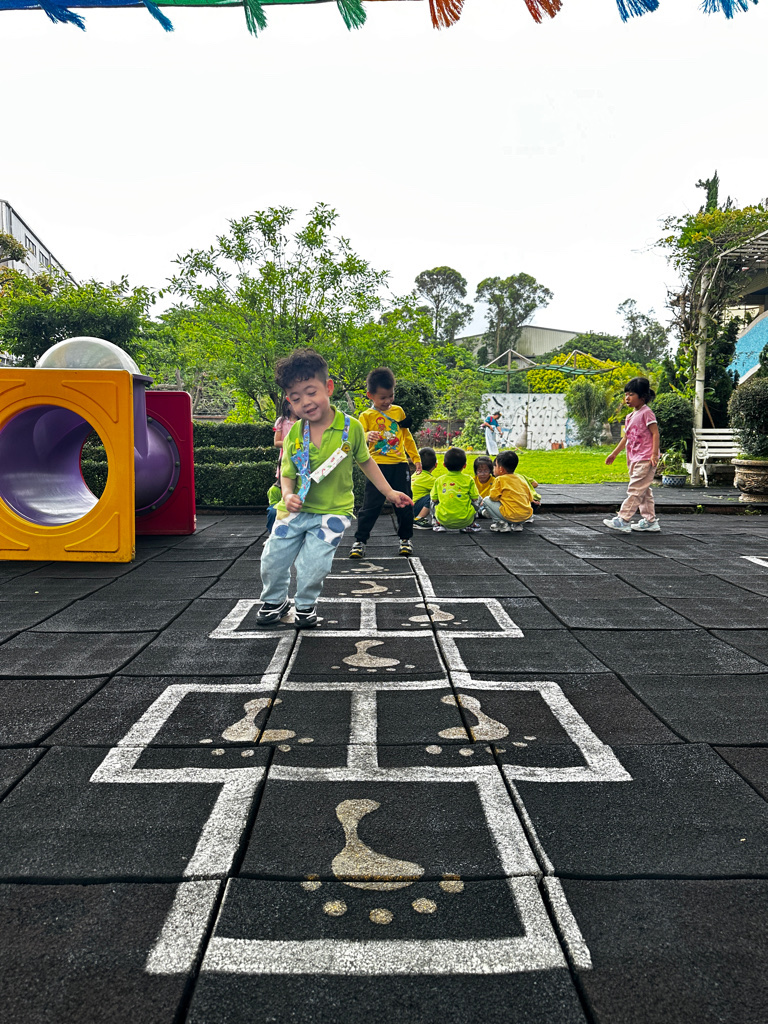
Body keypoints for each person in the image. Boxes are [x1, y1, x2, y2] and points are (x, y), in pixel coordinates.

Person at [257, 349, 412, 628]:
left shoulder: (351, 428)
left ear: (328, 388)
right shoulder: (295, 433)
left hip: (332, 511)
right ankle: (275, 600)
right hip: (294, 510)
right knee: (272, 558)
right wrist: (287, 494)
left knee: (314, 565)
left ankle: (305, 605)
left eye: (311, 392)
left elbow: (366, 461)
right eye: (295, 398)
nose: (305, 402)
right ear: (289, 402)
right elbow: (288, 472)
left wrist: (389, 492)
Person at [350, 367, 420, 558]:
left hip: (399, 464)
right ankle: (360, 541)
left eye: (391, 396)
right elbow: (357, 438)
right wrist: (367, 435)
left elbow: (407, 437)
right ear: (370, 395)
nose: (388, 401)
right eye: (383, 398)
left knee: (404, 503)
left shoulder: (398, 412)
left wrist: (415, 458)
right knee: (371, 506)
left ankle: (405, 539)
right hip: (376, 467)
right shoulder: (366, 416)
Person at [603, 377, 660, 534]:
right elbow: (626, 438)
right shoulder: (629, 417)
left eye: (631, 394)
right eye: (626, 394)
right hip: (634, 458)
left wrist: (654, 454)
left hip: (646, 458)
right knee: (644, 491)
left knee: (635, 489)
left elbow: (655, 433)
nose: (627, 398)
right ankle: (650, 521)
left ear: (643, 397)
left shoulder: (647, 413)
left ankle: (623, 519)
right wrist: (614, 453)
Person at [431, 447, 482, 533]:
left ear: (444, 465)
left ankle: (438, 523)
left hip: (444, 520)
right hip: (465, 521)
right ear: (464, 466)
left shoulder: (439, 480)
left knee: (431, 498)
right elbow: (475, 498)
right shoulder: (469, 479)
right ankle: (470, 525)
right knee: (478, 498)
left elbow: (434, 499)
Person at [482, 450, 534, 533]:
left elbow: (493, 497)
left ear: (501, 469)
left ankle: (501, 524)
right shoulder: (521, 479)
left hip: (510, 516)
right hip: (525, 516)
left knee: (486, 500)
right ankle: (517, 525)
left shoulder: (500, 479)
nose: (493, 468)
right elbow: (530, 498)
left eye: (495, 466)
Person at [412, 447, 439, 528]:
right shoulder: (431, 480)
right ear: (436, 465)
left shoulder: (414, 475)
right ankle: (419, 519)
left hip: (408, 508)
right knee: (433, 496)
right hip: (415, 508)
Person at [272, 397, 297, 480]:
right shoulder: (281, 422)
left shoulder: (304, 421)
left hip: (301, 455)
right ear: (287, 406)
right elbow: (276, 442)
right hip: (285, 455)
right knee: (286, 478)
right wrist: (292, 444)